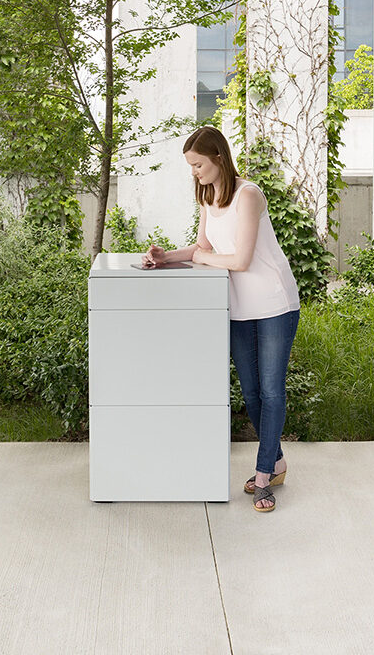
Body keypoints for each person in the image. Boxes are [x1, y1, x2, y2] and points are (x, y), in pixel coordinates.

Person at [142, 126, 301, 514]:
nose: (194, 172)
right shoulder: (209, 196)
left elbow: (241, 260)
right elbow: (204, 248)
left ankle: (264, 476)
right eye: (191, 166)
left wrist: (200, 258)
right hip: (239, 305)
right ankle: (276, 461)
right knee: (249, 391)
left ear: (217, 158)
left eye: (198, 164)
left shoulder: (248, 195)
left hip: (275, 302)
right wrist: (168, 258)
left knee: (271, 391)